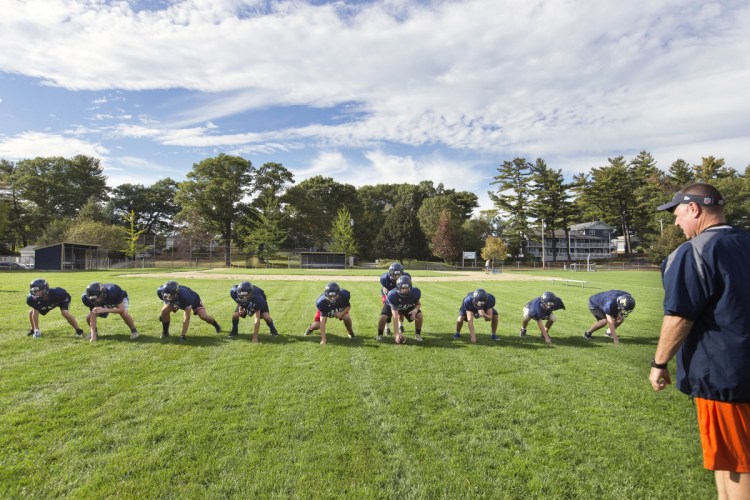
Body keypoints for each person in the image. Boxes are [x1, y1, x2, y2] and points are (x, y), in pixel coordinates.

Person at [649, 183, 750, 498]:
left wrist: (659, 362)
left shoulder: (695, 251)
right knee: (728, 458)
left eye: (677, 214)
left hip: (725, 376)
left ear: (694, 209)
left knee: (737, 463)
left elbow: (679, 315)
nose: (676, 223)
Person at [157, 280, 221, 341]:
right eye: (166, 295)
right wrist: (164, 315)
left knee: (203, 316)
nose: (168, 298)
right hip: (178, 301)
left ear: (176, 293)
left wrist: (182, 335)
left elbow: (187, 318)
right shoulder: (161, 291)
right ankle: (165, 333)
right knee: (164, 311)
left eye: (170, 296)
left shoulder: (186, 296)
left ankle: (216, 325)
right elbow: (166, 302)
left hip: (194, 300)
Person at [376, 262, 411, 341]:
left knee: (401, 312)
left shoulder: (406, 276)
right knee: (387, 313)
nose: (397, 277)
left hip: (400, 295)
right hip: (388, 295)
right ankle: (387, 327)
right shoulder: (385, 279)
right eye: (395, 275)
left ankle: (400, 325)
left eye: (399, 275)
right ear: (390, 274)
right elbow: (385, 290)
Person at [386, 275, 423, 344]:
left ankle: (417, 334)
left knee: (419, 315)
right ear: (398, 288)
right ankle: (387, 327)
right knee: (386, 315)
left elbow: (418, 304)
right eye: (402, 288)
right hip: (396, 307)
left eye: (406, 288)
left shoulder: (415, 292)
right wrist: (396, 334)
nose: (404, 290)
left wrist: (415, 310)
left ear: (410, 287)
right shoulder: (393, 295)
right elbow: (395, 316)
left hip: (406, 307)